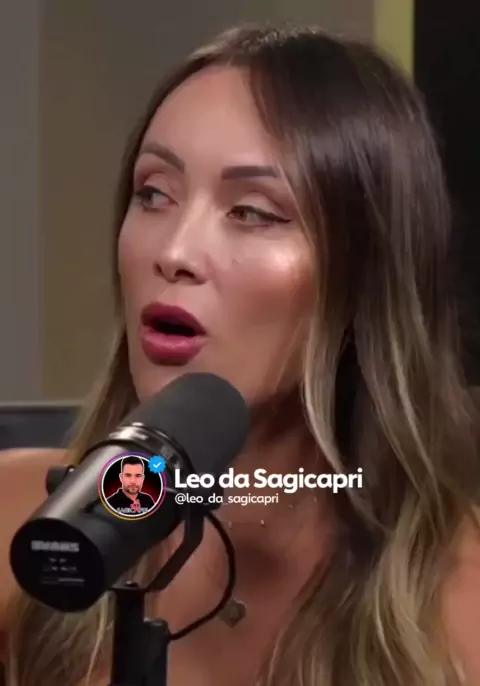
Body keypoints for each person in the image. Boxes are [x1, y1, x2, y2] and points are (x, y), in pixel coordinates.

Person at [0, 23, 479, 686]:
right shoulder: (15, 519)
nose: (174, 251)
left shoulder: (463, 605)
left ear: (366, 278)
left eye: (252, 211)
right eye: (154, 193)